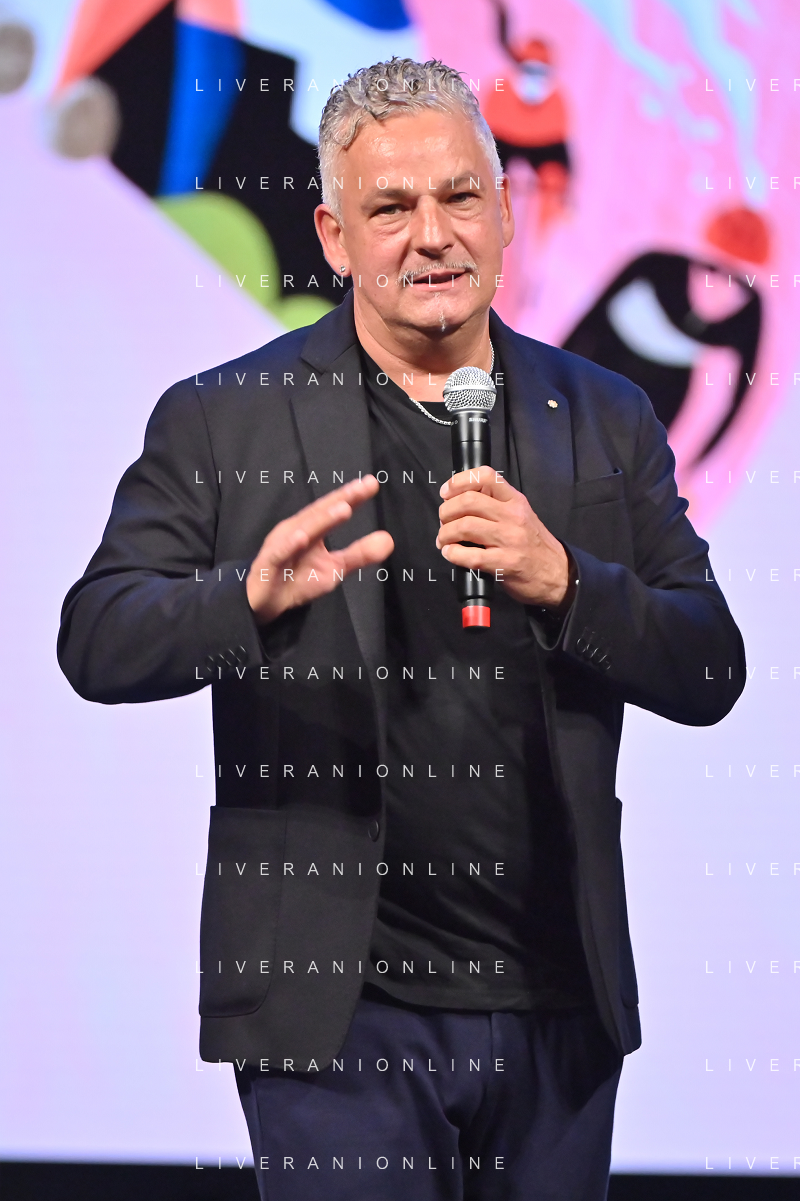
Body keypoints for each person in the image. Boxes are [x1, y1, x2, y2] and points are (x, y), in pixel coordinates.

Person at [58, 57, 745, 1201]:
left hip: (554, 1008)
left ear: (505, 210)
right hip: (337, 1016)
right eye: (390, 209)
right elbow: (97, 635)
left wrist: (567, 582)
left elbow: (708, 660)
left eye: (459, 196)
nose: (432, 235)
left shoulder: (604, 417)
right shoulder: (226, 418)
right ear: (334, 238)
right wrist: (242, 601)